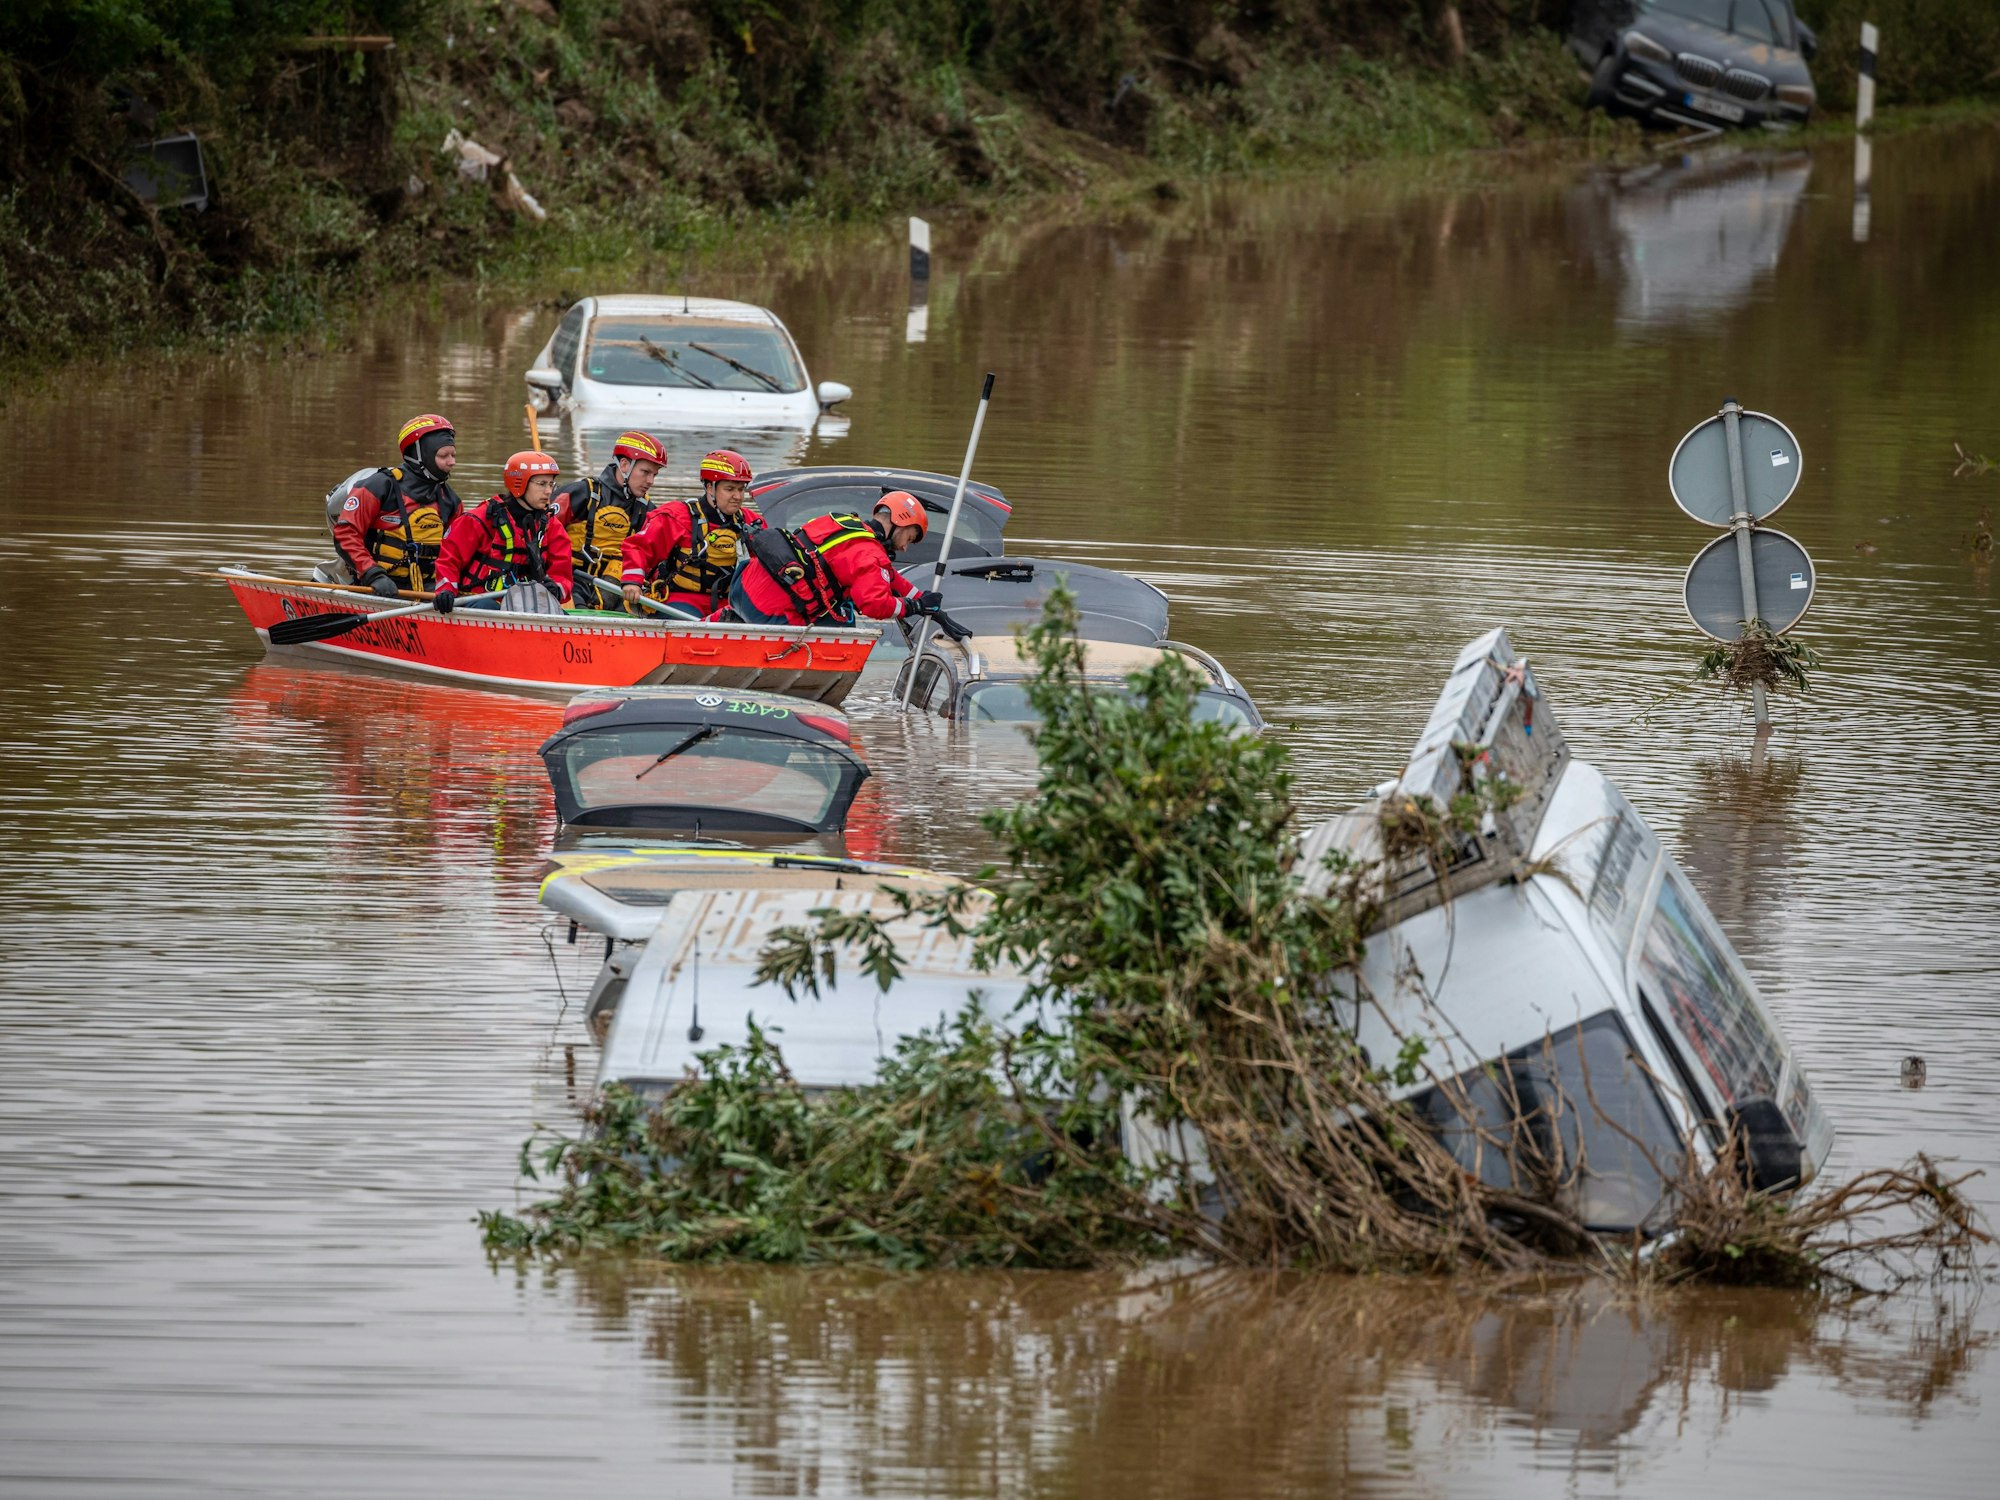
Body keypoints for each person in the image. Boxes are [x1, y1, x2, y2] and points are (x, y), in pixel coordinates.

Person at [727, 490, 946, 626]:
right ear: (901, 521)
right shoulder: (869, 552)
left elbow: (888, 575)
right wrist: (914, 607)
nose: (906, 548)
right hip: (769, 611)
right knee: (845, 620)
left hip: (741, 587)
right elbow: (874, 605)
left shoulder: (845, 523)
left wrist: (923, 599)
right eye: (909, 537)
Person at [618, 448, 769, 618]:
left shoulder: (752, 522)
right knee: (687, 622)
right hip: (683, 599)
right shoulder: (677, 517)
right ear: (710, 487)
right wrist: (632, 582)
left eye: (741, 489)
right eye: (730, 489)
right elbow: (639, 547)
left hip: (731, 601)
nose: (738, 496)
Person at [331, 413, 466, 597]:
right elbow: (346, 533)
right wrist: (373, 575)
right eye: (444, 456)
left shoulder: (451, 500)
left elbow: (458, 551)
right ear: (420, 455)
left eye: (453, 455)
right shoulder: (379, 487)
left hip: (430, 591)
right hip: (378, 585)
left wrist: (449, 587)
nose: (452, 462)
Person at [431, 450, 574, 613]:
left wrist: (555, 588)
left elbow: (562, 574)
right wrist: (446, 591)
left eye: (551, 484)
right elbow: (449, 559)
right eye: (542, 484)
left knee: (562, 615)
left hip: (529, 606)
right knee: (488, 608)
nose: (549, 491)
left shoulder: (551, 525)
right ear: (520, 483)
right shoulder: (480, 518)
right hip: (479, 601)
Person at [553, 430, 665, 606]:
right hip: (573, 579)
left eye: (654, 475)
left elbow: (654, 556)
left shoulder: (647, 510)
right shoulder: (582, 493)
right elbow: (542, 532)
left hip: (616, 586)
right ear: (625, 464)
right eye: (645, 472)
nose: (651, 481)